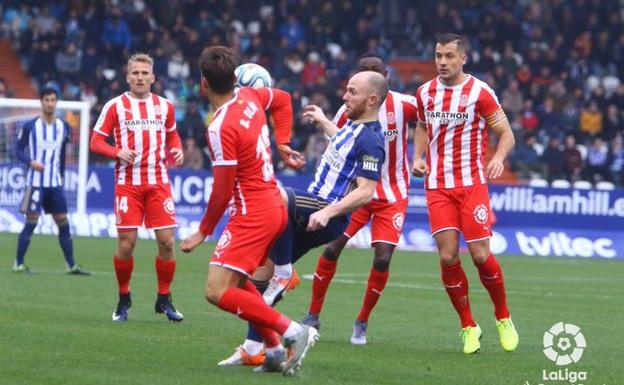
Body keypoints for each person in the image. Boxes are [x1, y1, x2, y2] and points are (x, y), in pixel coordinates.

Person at [218, 69, 388, 367]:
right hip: (311, 207)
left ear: (372, 99)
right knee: (260, 273)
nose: (344, 96)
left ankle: (284, 273)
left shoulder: (373, 139)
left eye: (352, 91)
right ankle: (255, 349)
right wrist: (325, 122)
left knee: (275, 195)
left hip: (326, 211)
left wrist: (327, 212)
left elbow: (366, 192)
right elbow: (345, 146)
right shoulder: (352, 125)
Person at [180, 46, 315, 376]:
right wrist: (282, 142)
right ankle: (271, 349)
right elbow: (283, 99)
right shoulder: (251, 97)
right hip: (273, 205)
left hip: (252, 212)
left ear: (203, 84)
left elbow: (223, 189)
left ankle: (293, 332)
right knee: (238, 282)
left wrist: (203, 230)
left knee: (216, 290)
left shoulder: (219, 127)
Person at [411, 33, 519, 354]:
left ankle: (503, 316)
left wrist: (498, 158)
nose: (442, 62)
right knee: (447, 256)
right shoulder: (424, 93)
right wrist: (417, 157)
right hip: (438, 186)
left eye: (448, 56)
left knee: (481, 256)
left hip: (472, 184)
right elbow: (420, 126)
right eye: (438, 56)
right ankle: (468, 325)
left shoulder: (480, 93)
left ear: (463, 59)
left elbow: (507, 134)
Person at [301, 53, 418, 345]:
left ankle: (362, 321)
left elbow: (431, 117)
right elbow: (340, 141)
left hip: (392, 195)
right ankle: (313, 314)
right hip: (357, 194)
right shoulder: (347, 109)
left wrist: (422, 154)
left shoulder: (405, 105)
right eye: (361, 71)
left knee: (382, 258)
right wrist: (324, 122)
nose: (366, 74)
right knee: (332, 248)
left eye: (373, 71)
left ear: (383, 79)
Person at [90, 53, 184, 323]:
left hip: (158, 183)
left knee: (167, 242)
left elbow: (173, 133)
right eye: (136, 73)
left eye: (145, 73)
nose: (140, 78)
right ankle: (123, 298)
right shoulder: (115, 106)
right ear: (128, 76)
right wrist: (117, 152)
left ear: (153, 77)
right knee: (127, 244)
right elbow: (95, 142)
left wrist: (176, 149)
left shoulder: (165, 106)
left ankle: (164, 298)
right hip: (127, 185)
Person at [12, 87, 90, 276]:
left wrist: (61, 174)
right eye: (46, 100)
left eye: (53, 100)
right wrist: (31, 162)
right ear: (41, 102)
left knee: (63, 220)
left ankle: (71, 265)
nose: (50, 103)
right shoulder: (30, 126)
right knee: (32, 220)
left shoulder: (63, 126)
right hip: (35, 182)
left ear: (56, 102)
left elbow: (62, 153)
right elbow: (18, 150)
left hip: (54, 183)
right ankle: (18, 263)